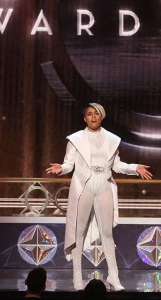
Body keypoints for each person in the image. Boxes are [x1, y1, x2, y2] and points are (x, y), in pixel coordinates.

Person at [46, 103, 153, 291]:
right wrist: (61, 168)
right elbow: (69, 164)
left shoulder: (112, 139)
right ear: (84, 118)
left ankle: (114, 277)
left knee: (107, 233)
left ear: (101, 116)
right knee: (79, 233)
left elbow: (117, 165)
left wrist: (134, 168)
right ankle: (77, 279)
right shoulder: (75, 140)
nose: (93, 116)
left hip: (103, 185)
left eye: (96, 113)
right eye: (89, 114)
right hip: (84, 187)